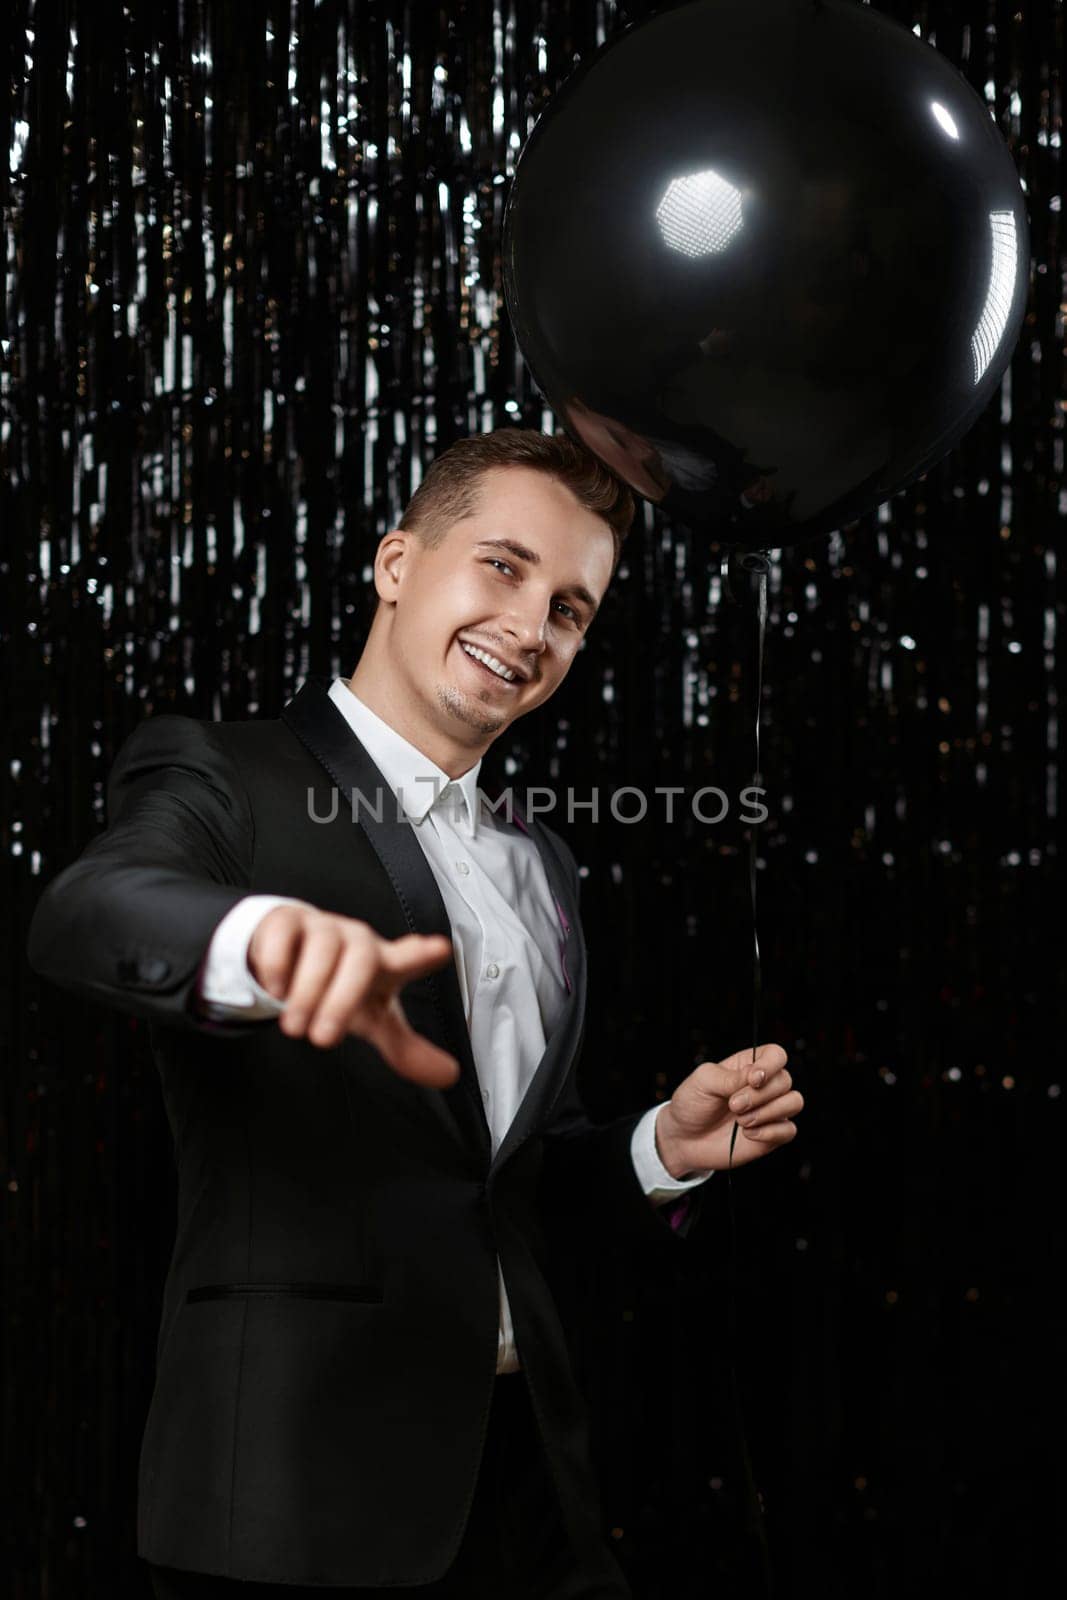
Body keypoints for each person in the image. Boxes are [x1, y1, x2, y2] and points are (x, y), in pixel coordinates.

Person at [26, 428, 803, 1598]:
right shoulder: (225, 772)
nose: (530, 626)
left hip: (529, 1489)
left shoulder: (543, 866)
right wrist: (258, 940)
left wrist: (656, 1150)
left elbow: (506, 1188)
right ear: (396, 564)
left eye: (569, 607)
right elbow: (91, 908)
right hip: (293, 1498)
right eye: (502, 566)